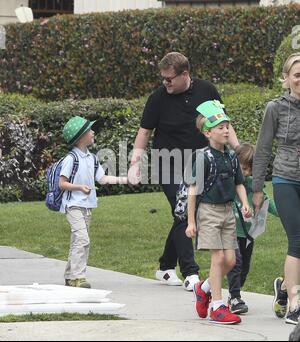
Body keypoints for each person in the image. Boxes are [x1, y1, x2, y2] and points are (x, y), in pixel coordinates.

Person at [128, 52, 239, 291]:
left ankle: (166, 266)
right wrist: (134, 164)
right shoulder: (157, 98)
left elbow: (224, 123)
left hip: (200, 164)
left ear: (185, 74)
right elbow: (144, 132)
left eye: (170, 78)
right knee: (183, 212)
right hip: (167, 163)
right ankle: (191, 272)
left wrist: (238, 151)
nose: (165, 83)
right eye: (163, 78)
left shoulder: (206, 90)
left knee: (185, 212)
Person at [186, 100, 250, 324]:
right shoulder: (204, 157)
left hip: (227, 212)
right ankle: (218, 306)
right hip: (208, 212)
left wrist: (244, 203)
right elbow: (193, 190)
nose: (226, 130)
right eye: (220, 127)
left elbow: (239, 183)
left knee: (231, 261)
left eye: (227, 126)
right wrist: (191, 221)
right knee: (219, 257)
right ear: (207, 133)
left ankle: (203, 289)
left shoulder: (232, 157)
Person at [252, 53, 300, 325]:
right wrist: (257, 188)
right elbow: (262, 150)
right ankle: (294, 303)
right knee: (297, 239)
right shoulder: (275, 108)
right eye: (297, 74)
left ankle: (283, 288)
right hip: (286, 179)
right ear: (286, 79)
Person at [59, 116, 128, 288]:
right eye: (90, 130)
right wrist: (80, 187)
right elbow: (62, 184)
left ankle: (70, 276)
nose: (93, 132)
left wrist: (125, 180)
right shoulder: (71, 159)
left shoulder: (91, 158)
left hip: (87, 206)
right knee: (83, 239)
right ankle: (78, 277)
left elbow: (102, 179)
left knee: (79, 240)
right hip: (73, 205)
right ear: (81, 136)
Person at [226, 143, 279, 314]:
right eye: (243, 168)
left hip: (248, 235)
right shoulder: (230, 185)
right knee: (236, 262)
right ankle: (234, 297)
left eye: (250, 170)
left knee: (244, 267)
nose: (246, 173)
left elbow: (270, 205)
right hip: (231, 231)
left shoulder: (256, 189)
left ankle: (232, 292)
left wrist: (287, 213)